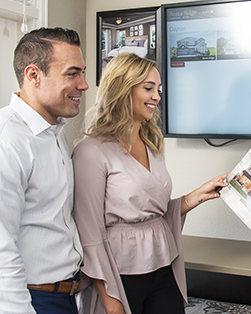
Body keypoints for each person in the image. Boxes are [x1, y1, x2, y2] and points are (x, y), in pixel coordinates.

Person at [72, 52, 227, 314]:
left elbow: (153, 213)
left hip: (163, 266)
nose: (156, 96)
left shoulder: (152, 145)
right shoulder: (91, 152)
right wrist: (112, 304)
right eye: (148, 88)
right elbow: (89, 234)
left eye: (158, 89)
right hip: (120, 275)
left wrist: (196, 196)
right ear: (122, 89)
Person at [0, 27, 89, 314]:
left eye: (82, 73)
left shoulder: (52, 132)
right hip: (23, 302)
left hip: (61, 297)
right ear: (33, 75)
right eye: (72, 73)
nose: (84, 84)